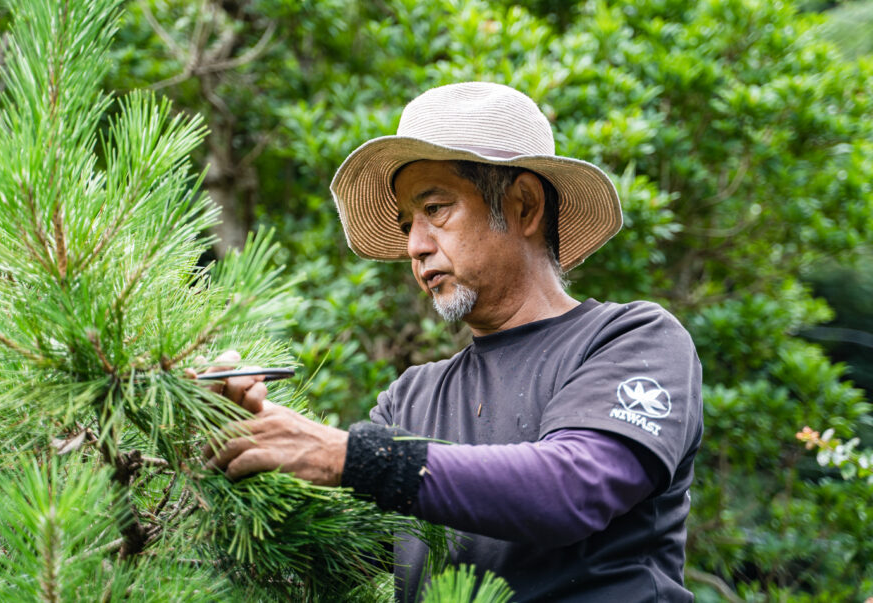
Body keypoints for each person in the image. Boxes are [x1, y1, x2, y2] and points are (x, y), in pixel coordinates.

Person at [204, 82, 703, 602]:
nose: (415, 246)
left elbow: (570, 490)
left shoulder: (633, 339)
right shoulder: (411, 399)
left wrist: (344, 455)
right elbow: (334, 552)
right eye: (406, 224)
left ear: (525, 206)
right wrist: (238, 452)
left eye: (436, 208)